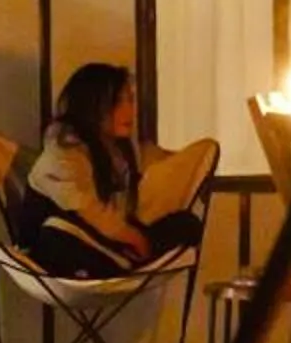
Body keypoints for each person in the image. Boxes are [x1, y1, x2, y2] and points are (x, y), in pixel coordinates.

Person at [12, 63, 204, 277]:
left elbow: (133, 196)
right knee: (57, 233)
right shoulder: (64, 148)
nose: (130, 110)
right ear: (92, 105)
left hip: (104, 240)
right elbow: (89, 210)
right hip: (56, 243)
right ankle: (120, 260)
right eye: (118, 101)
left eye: (131, 100)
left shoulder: (118, 148)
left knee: (187, 224)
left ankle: (120, 259)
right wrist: (132, 237)